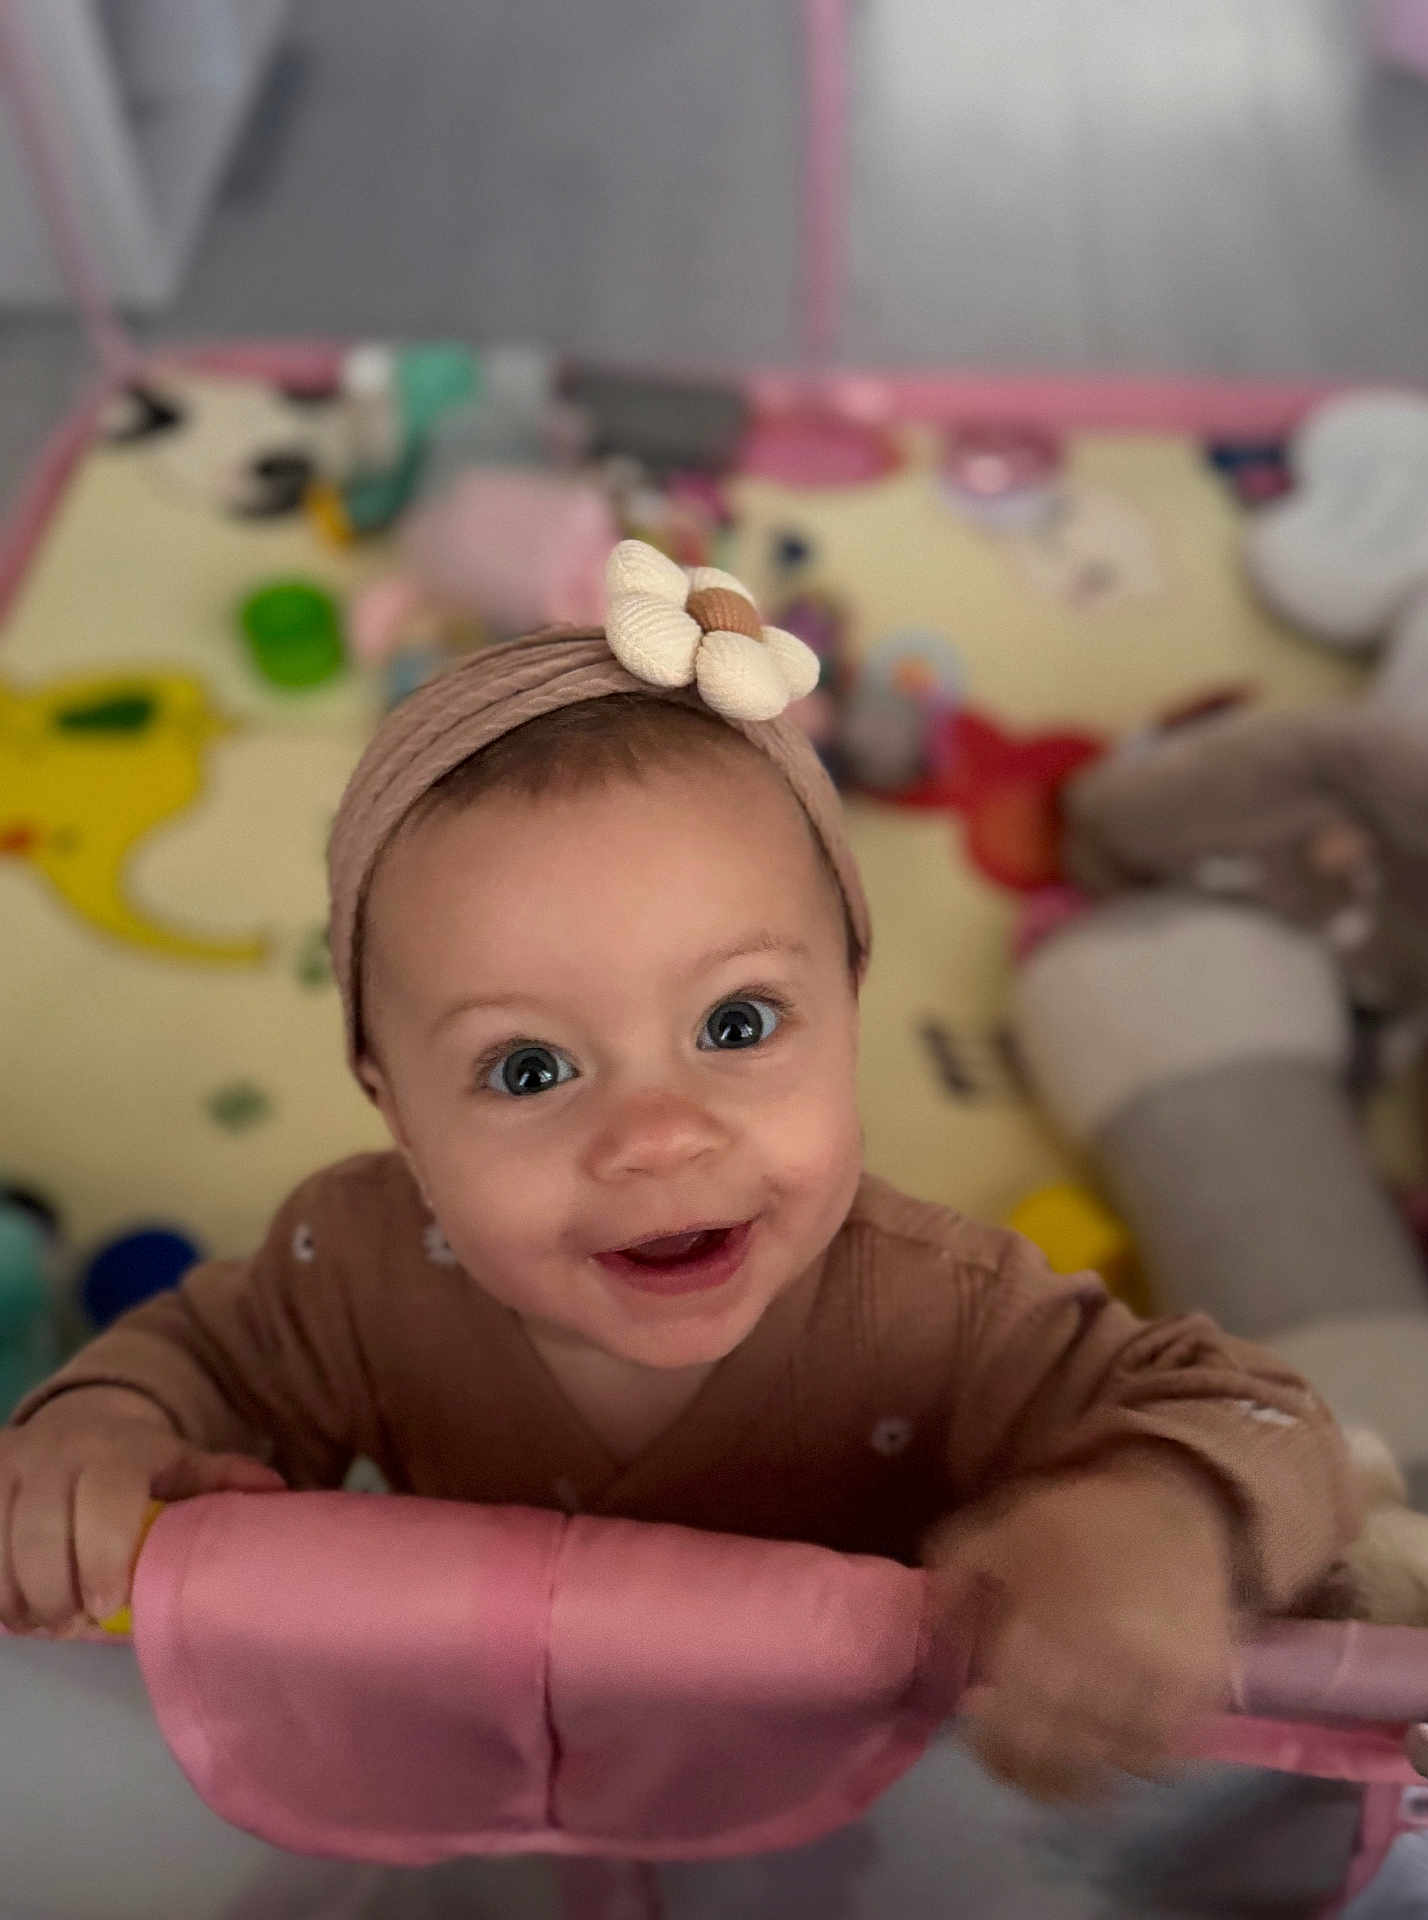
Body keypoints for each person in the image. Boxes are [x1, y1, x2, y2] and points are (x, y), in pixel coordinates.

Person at [0, 541, 1358, 1806]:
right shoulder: (353, 1262)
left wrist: (1148, 1526)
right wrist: (108, 1426)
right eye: (527, 1069)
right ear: (393, 1106)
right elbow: (207, 1362)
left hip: (871, 1798)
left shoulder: (942, 1314)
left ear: (851, 1003)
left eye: (739, 1025)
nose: (658, 1136)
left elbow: (1275, 1426)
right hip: (492, 1770)